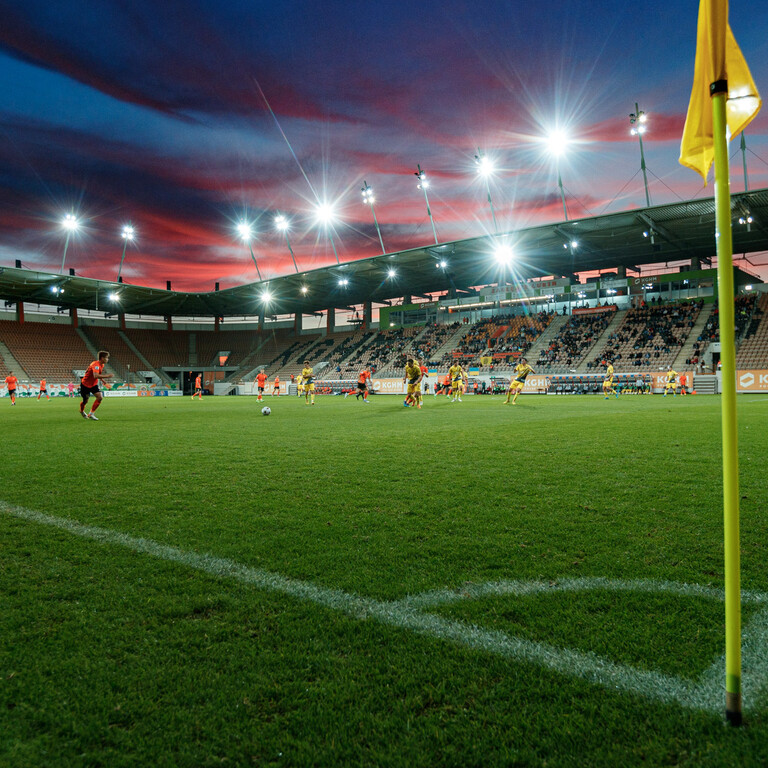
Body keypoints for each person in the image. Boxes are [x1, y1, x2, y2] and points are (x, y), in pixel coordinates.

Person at [79, 350, 113, 421]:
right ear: (102, 358)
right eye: (106, 358)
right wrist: (108, 376)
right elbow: (95, 375)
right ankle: (82, 411)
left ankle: (91, 414)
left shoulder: (102, 365)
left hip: (93, 384)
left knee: (100, 397)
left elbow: (98, 375)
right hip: (85, 384)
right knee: (85, 401)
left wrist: (103, 381)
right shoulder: (95, 364)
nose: (108, 359)